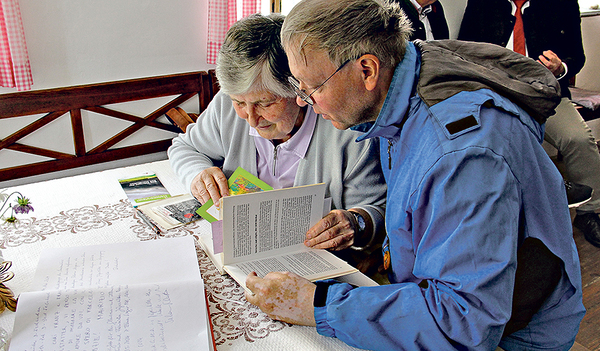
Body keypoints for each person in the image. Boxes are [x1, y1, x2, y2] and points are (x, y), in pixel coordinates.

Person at [244, 0, 586, 350]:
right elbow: (421, 206)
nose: (304, 102)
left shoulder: (459, 153)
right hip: (443, 299)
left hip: (513, 333)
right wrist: (363, 224)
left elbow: (463, 322)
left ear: (366, 70)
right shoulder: (406, 78)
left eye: (311, 88)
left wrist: (315, 305)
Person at [167, 13, 387, 270]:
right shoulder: (226, 109)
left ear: (299, 90)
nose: (250, 119)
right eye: (240, 102)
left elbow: (380, 212)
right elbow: (185, 147)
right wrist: (197, 174)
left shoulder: (347, 132)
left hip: (314, 269)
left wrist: (356, 222)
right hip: (239, 260)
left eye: (265, 103)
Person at [458, 0, 600, 248]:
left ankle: (590, 212)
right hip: (494, 95)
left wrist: (560, 68)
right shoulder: (482, 4)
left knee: (578, 139)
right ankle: (496, 221)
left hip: (544, 94)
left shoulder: (562, 4)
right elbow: (462, 51)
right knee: (486, 139)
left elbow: (576, 56)